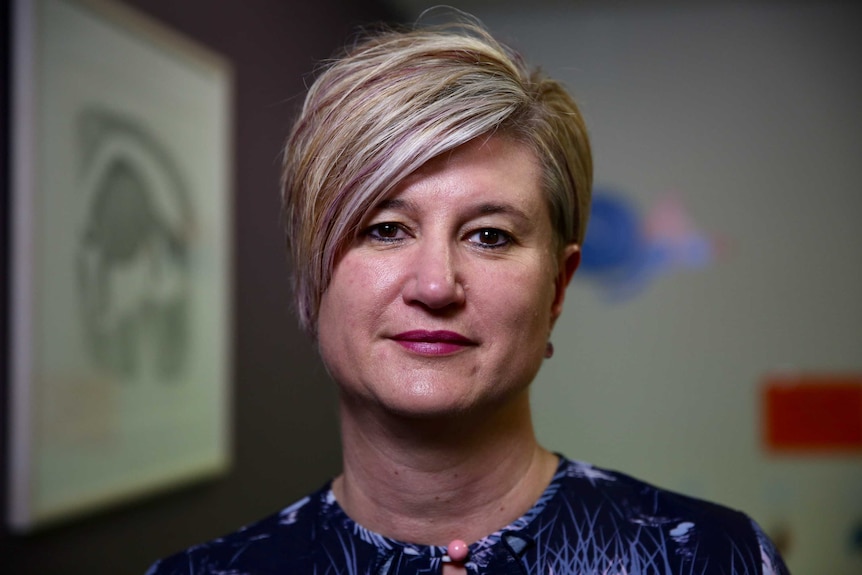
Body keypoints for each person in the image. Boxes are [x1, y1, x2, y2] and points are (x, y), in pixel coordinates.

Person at [147, 16, 789, 575]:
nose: (435, 286)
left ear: (558, 287)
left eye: (489, 236)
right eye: (385, 229)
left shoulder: (715, 558)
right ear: (313, 276)